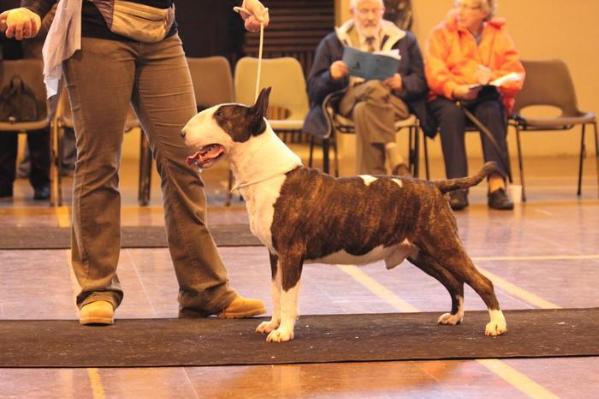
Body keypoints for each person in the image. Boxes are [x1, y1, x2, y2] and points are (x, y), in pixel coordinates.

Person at [0, 0, 270, 325]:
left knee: (184, 162)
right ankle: (97, 289)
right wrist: (32, 8)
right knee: (99, 164)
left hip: (162, 34)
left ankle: (204, 288)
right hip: (98, 32)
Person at [304, 0, 432, 176]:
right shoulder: (333, 42)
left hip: (395, 101)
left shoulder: (405, 39)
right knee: (374, 86)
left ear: (383, 11)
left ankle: (372, 185)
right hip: (348, 99)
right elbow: (313, 88)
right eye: (364, 11)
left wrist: (402, 83)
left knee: (364, 110)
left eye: (375, 11)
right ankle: (393, 154)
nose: (370, 17)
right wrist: (331, 76)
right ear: (352, 12)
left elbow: (422, 81)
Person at [425, 0, 524, 210]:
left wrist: (492, 77)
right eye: (458, 5)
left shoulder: (499, 35)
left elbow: (514, 75)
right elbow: (434, 71)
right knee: (451, 115)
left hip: (483, 93)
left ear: (484, 11)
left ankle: (496, 185)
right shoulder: (441, 33)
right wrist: (455, 89)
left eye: (468, 7)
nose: (460, 11)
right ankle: (457, 188)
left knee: (492, 110)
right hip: (448, 95)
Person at [0, 0, 50, 201]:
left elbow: (55, 9)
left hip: (35, 54)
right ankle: (4, 182)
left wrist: (31, 24)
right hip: (4, 54)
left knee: (38, 118)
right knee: (4, 119)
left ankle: (42, 182)